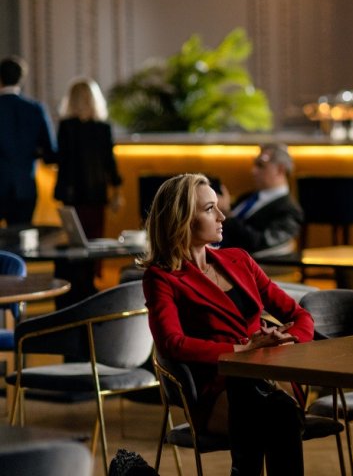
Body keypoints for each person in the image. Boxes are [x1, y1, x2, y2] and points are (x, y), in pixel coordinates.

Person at [141, 173, 313, 476]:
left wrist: (288, 341)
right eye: (210, 209)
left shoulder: (239, 260)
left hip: (270, 374)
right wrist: (241, 350)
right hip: (215, 387)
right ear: (181, 219)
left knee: (273, 411)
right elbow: (171, 343)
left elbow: (301, 317)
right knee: (278, 415)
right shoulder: (162, 277)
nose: (222, 216)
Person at [54, 78, 123, 239]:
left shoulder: (66, 126)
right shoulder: (103, 128)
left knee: (75, 239)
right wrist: (117, 191)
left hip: (71, 192)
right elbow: (109, 162)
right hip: (96, 191)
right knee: (96, 238)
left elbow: (62, 160)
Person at [218, 143, 304, 259]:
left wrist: (227, 214)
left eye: (261, 166)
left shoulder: (290, 210)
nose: (253, 171)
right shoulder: (247, 197)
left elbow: (259, 242)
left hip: (244, 263)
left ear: (280, 170)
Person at [0, 56, 57, 226]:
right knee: (21, 237)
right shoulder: (35, 109)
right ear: (21, 79)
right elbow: (50, 152)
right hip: (25, 186)